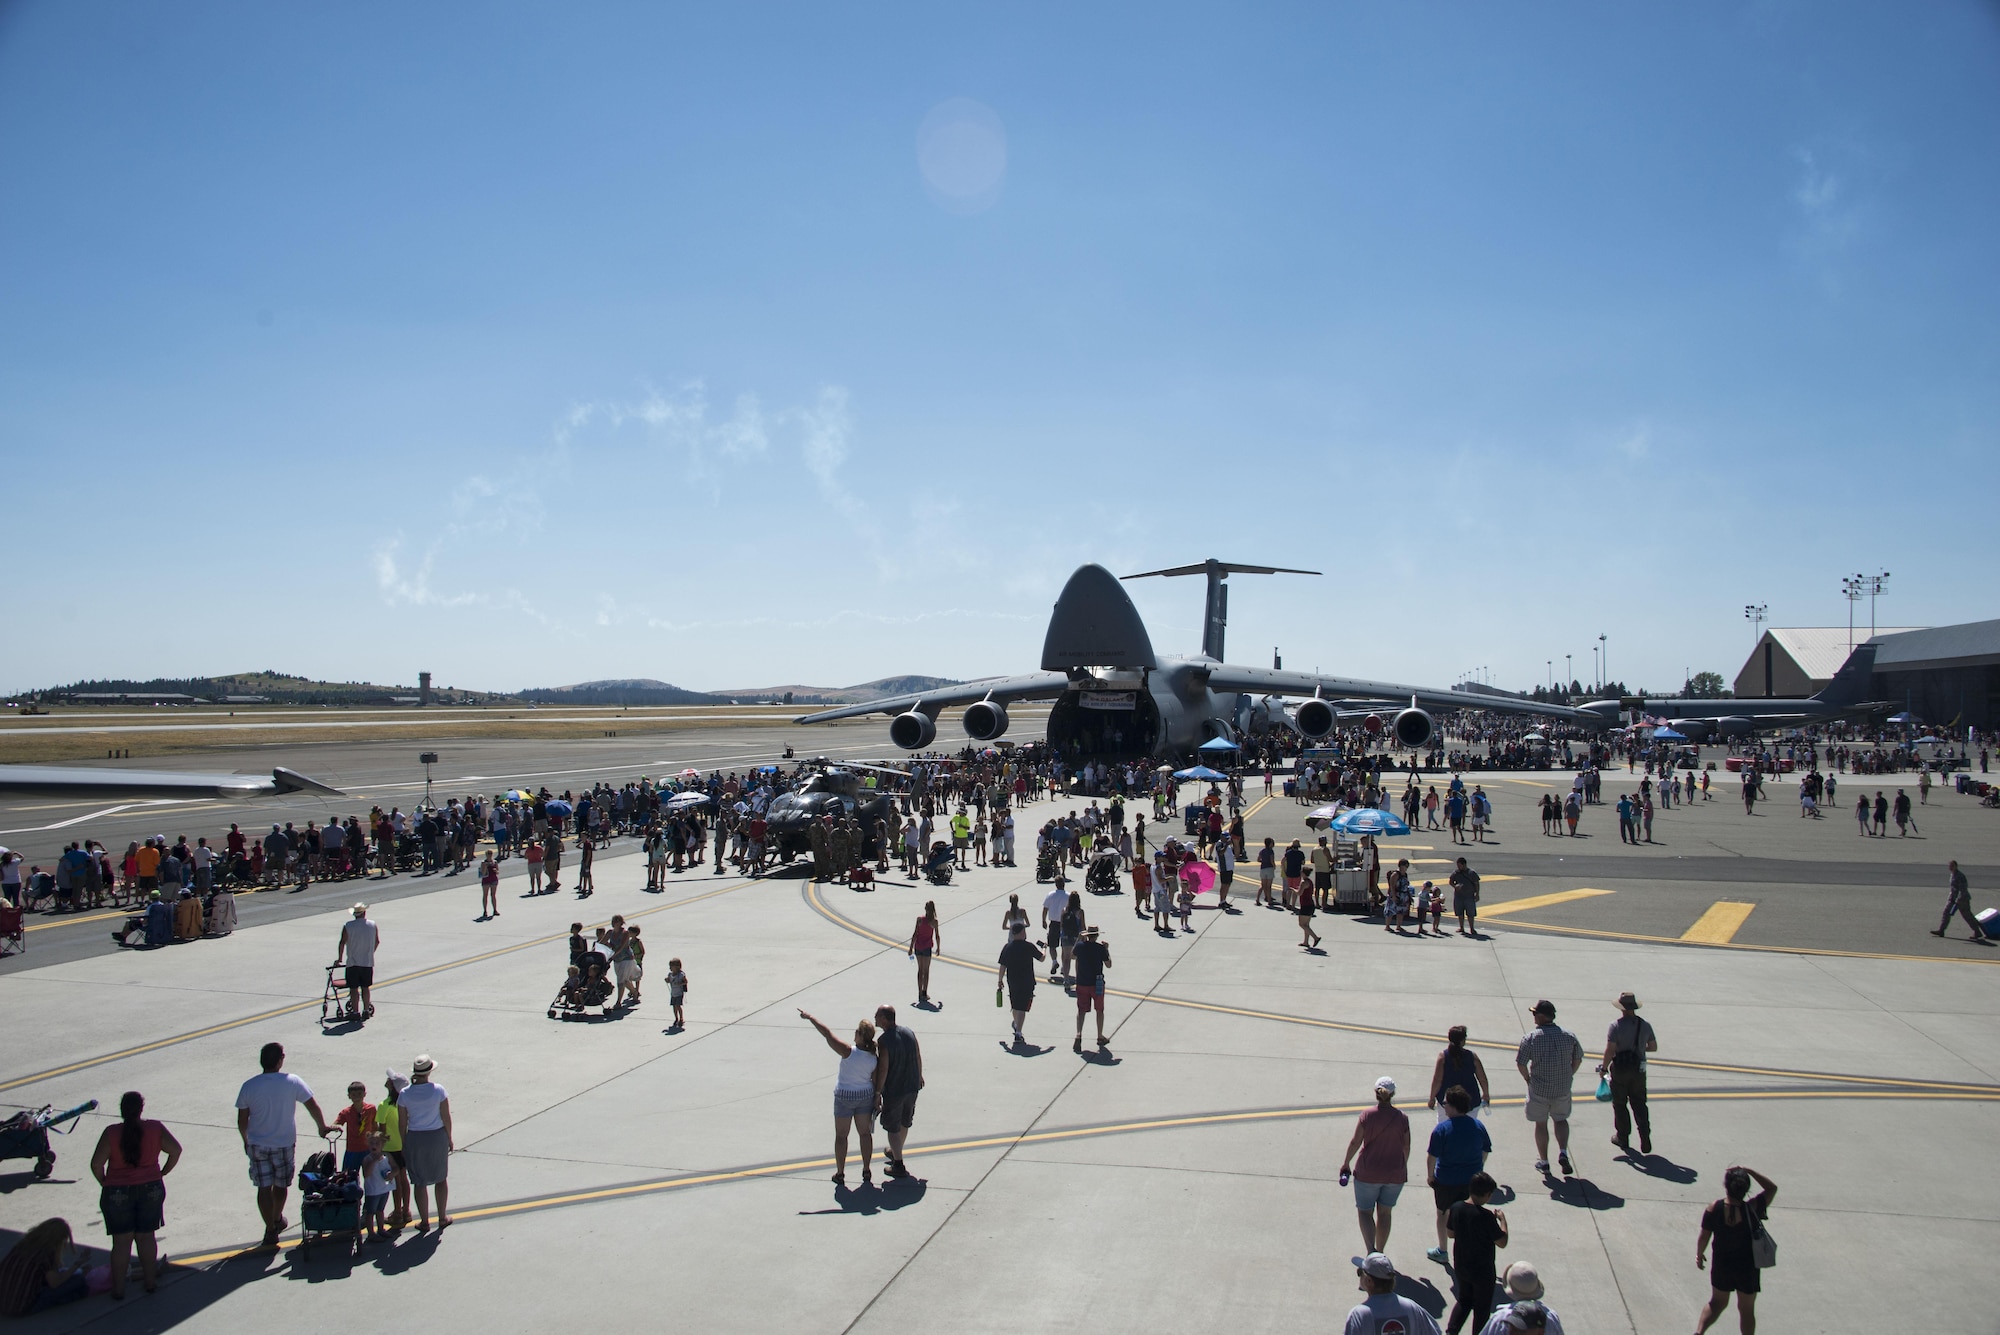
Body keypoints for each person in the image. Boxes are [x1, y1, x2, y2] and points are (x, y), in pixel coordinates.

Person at [236, 1041, 330, 1248]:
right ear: (280, 1061)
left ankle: (270, 1228)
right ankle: (277, 1217)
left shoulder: (249, 1086)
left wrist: (246, 1140)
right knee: (281, 1186)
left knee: (263, 1187)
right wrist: (321, 1126)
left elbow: (242, 1120)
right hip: (284, 1144)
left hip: (257, 1144)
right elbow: (312, 1105)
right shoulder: (292, 1081)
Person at [88, 1091, 181, 1299]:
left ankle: (119, 1289)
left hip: (117, 1191)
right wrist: (163, 1172)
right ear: (141, 1109)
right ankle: (150, 1282)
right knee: (146, 1237)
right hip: (151, 1188)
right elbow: (175, 1150)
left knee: (121, 1242)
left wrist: (104, 1181)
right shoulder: (154, 1128)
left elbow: (96, 1164)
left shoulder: (111, 1133)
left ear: (122, 1110)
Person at [799, 1010, 880, 1185]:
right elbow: (875, 1081)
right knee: (865, 1134)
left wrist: (811, 1017)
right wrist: (876, 1098)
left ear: (859, 1035)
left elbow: (827, 1034)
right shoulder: (874, 1057)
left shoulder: (848, 1052)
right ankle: (866, 1170)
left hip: (844, 1096)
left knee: (841, 1136)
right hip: (865, 1097)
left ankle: (840, 1172)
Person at [1695, 1166, 1777, 1335]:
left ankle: (1699, 1332)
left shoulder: (1714, 1208)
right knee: (1746, 1310)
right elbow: (1772, 1188)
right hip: (1747, 1267)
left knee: (1717, 1303)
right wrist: (1750, 1171)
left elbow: (1704, 1236)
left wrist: (1700, 1253)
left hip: (1722, 1263)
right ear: (1745, 1188)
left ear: (1726, 1185)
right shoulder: (1753, 1208)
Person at [1338, 1077, 1410, 1255]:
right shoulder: (1402, 1118)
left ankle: (1371, 1252)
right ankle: (1381, 1251)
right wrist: (1402, 1165)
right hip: (1394, 1174)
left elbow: (1356, 1141)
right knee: (1385, 1213)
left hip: (1368, 1172)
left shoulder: (1367, 1115)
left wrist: (1346, 1162)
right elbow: (1406, 1146)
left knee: (1365, 1212)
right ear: (1393, 1094)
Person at [1425, 1085, 1491, 1266]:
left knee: (1442, 1213)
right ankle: (1468, 1250)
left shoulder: (1442, 1129)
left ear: (1453, 1106)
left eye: (1445, 1103)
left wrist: (1430, 1176)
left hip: (1446, 1181)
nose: (1443, 1106)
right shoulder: (1478, 1126)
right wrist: (1479, 1167)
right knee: (1470, 1216)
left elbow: (1431, 1157)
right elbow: (1486, 1149)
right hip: (1470, 1182)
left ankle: (1443, 1250)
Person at [1516, 1000, 1584, 1176]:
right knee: (1561, 1120)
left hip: (1539, 1089)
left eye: (1534, 1014)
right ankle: (1562, 1152)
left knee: (1541, 1123)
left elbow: (1521, 1063)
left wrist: (1527, 1079)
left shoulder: (1531, 1038)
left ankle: (1544, 1161)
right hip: (1562, 1088)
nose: (1533, 1017)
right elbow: (1578, 1058)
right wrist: (1569, 1074)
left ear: (1541, 1016)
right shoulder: (1569, 1036)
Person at [1444, 1171, 1508, 1334]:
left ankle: (1451, 1331)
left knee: (1464, 1301)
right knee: (1482, 1309)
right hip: (1483, 1272)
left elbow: (1450, 1233)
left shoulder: (1456, 1208)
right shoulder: (1486, 1216)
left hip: (1462, 1266)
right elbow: (1502, 1242)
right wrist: (1502, 1221)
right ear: (1487, 1194)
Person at [1597, 991, 1657, 1154]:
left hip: (1620, 1070)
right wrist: (1638, 1048)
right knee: (1639, 1103)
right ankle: (1645, 1136)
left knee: (1620, 1104)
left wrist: (1603, 1068)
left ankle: (1623, 1137)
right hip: (1639, 1069)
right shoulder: (1645, 1025)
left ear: (1621, 1008)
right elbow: (1653, 1047)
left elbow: (1610, 1050)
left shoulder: (1615, 1026)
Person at [400, 1054, 454, 1230]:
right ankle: (442, 1217)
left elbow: (403, 1122)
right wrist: (449, 1137)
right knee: (441, 1178)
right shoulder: (438, 1090)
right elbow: (446, 1116)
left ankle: (424, 1221)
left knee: (419, 1181)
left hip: (416, 1137)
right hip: (437, 1136)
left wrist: (403, 1143)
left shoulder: (405, 1093)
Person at [0, 1220, 93, 1317]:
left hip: (2, 1304)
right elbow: (55, 1283)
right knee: (79, 1281)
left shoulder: (22, 1246)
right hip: (23, 1307)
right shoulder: (46, 1253)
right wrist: (76, 1265)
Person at [873, 1004, 923, 1179]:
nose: (875, 1018)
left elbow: (884, 1068)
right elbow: (917, 1055)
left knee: (893, 1127)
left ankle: (898, 1164)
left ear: (885, 1019)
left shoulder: (884, 1041)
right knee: (905, 1121)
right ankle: (896, 1152)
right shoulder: (909, 1032)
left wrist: (878, 1092)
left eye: (877, 1016)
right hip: (912, 1085)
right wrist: (920, 1076)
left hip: (896, 1089)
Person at [1343, 1252, 1441, 1335]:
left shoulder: (1358, 1315)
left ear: (1369, 1281)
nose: (1359, 1276)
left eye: (1360, 1272)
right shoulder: (1411, 1308)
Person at [1476, 1266, 1565, 1335]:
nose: (1511, 1333)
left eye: (1520, 1332)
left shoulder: (1500, 1317)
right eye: (1512, 1328)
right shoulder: (1551, 1316)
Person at [1428, 1026, 1490, 1120]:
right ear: (1462, 1041)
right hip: (1470, 1102)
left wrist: (1432, 1098)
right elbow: (1482, 1079)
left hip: (1448, 1102)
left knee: (1445, 1128)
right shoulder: (1472, 1057)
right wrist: (1486, 1094)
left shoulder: (1443, 1057)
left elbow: (1437, 1080)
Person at [997, 924, 1045, 1046]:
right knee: (1022, 1008)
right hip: (1027, 981)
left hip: (1012, 980)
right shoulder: (1029, 946)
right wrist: (1044, 948)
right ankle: (1018, 1031)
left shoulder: (1008, 947)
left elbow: (1003, 965)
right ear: (1022, 932)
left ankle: (1016, 1024)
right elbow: (1042, 958)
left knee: (1015, 1005)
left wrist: (1000, 980)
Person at [333, 902, 380, 1022]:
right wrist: (370, 953)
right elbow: (377, 941)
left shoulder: (348, 926)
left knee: (353, 988)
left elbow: (342, 942)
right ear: (364, 912)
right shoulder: (372, 925)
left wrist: (339, 959)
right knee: (365, 987)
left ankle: (355, 1011)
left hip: (353, 962)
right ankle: (365, 1010)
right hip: (367, 962)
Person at [378, 1069, 411, 1228]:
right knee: (404, 1179)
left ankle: (397, 1213)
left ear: (391, 1086)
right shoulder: (404, 1104)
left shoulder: (384, 1106)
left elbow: (382, 1130)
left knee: (395, 1181)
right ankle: (406, 1210)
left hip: (390, 1148)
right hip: (404, 1146)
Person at [1071, 924, 1112, 1053]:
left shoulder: (1080, 947)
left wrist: (1079, 939)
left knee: (1081, 1010)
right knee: (1099, 1009)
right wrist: (1106, 949)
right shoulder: (1100, 948)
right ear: (1097, 935)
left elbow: (1072, 956)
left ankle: (1078, 1034)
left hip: (1082, 982)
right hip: (1097, 983)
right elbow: (1108, 964)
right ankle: (1099, 1036)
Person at [1932, 859, 1987, 941]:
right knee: (1946, 912)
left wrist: (1958, 899)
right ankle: (1941, 930)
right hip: (1953, 899)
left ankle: (1977, 931)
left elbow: (1963, 889)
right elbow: (1953, 889)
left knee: (1967, 916)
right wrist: (1951, 898)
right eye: (1950, 866)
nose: (1950, 867)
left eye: (1952, 866)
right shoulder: (1952, 875)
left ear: (1956, 866)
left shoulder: (1960, 876)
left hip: (1962, 900)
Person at [335, 1079, 377, 1170]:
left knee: (370, 1176)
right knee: (348, 1177)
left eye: (359, 1094)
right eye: (353, 1095)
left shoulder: (371, 1109)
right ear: (349, 1096)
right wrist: (335, 1127)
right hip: (352, 1150)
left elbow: (375, 1126)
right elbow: (338, 1123)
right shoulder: (346, 1112)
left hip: (368, 1149)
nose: (357, 1097)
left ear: (365, 1094)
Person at [360, 1129, 394, 1242]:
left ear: (382, 1145)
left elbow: (395, 1168)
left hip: (383, 1188)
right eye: (371, 1143)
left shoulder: (386, 1157)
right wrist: (373, 1161)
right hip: (373, 1190)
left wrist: (391, 1174)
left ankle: (381, 1229)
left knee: (380, 1210)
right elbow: (366, 1174)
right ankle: (371, 1233)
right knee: (370, 1212)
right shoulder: (367, 1159)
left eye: (377, 1144)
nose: (374, 1146)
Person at [1449, 858, 1480, 936]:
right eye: (1458, 865)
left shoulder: (1472, 873)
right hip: (1459, 896)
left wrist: (1477, 894)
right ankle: (1461, 927)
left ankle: (1472, 928)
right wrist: (1455, 886)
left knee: (1470, 913)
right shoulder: (1456, 873)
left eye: (1460, 865)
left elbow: (1476, 883)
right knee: (1460, 913)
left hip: (1469, 896)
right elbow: (1451, 881)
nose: (1458, 867)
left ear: (1464, 864)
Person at [668, 957, 689, 1032]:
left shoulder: (681, 974)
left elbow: (685, 981)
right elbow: (669, 980)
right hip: (673, 993)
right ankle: (676, 1018)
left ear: (677, 967)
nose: (670, 968)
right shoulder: (670, 974)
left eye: (671, 966)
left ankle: (681, 1018)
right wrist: (667, 980)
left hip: (679, 993)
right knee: (674, 1006)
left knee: (678, 1005)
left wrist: (680, 983)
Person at [479, 851, 500, 918]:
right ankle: (485, 910)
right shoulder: (483, 862)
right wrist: (486, 866)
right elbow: (483, 873)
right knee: (485, 895)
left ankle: (495, 909)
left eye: (490, 854)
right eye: (488, 854)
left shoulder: (495, 862)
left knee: (493, 895)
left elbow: (498, 871)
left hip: (493, 879)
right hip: (486, 880)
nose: (489, 855)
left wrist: (495, 870)